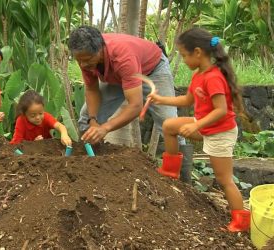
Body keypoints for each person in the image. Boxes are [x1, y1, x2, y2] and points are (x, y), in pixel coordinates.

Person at [148, 27, 249, 232]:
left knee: (224, 180)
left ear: (197, 52)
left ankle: (241, 222)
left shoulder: (213, 77)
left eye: (184, 55)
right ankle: (170, 171)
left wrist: (196, 125)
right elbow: (187, 99)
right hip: (206, 126)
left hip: (220, 132)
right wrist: (161, 99)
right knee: (169, 126)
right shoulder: (198, 76)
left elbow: (221, 110)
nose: (183, 60)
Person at [68, 25, 185, 146]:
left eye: (87, 59)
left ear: (100, 49)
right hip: (120, 76)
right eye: (79, 60)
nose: (83, 64)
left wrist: (105, 128)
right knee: (86, 118)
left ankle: (183, 163)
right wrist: (93, 120)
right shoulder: (86, 57)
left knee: (170, 123)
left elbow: (135, 106)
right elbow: (92, 90)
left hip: (153, 71)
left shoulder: (123, 57)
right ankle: (93, 161)